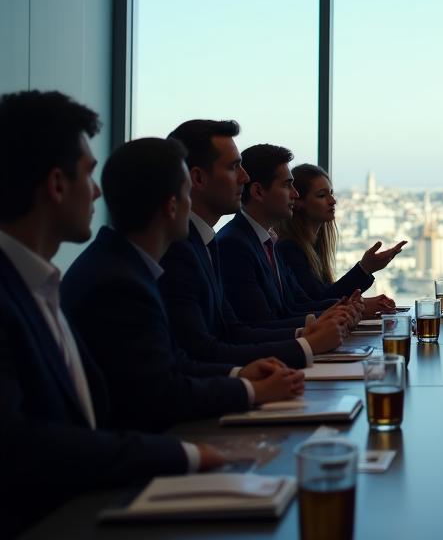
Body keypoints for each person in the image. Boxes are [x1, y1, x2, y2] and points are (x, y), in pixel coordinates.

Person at [0, 91, 221, 535]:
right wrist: (186, 454)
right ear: (57, 185)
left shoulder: (40, 285)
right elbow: (22, 446)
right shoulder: (85, 282)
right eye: (88, 174)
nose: (97, 191)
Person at [62, 138, 304, 432]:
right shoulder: (119, 280)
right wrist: (251, 390)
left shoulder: (128, 264)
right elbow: (160, 393)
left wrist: (240, 373)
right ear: (172, 206)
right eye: (187, 193)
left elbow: (174, 361)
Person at [159, 120, 348, 369]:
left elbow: (233, 331)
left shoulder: (208, 242)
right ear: (198, 178)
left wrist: (314, 328)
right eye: (233, 167)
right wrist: (307, 341)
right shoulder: (210, 246)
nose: (244, 177)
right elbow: (203, 349)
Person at [219, 144, 362, 324]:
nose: (294, 194)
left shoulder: (266, 241)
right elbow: (262, 324)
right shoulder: (234, 245)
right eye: (287, 185)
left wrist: (346, 308)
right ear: (258, 191)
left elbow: (296, 305)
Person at [274, 163, 404, 314]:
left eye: (331, 193)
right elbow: (318, 302)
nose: (332, 201)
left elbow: (323, 298)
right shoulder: (290, 248)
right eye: (322, 195)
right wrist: (365, 269)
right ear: (298, 201)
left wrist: (362, 302)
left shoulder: (311, 245)